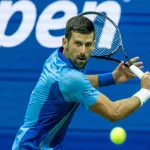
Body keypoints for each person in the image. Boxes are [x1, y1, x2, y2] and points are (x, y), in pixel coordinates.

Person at [12, 15, 150, 150]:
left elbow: (74, 84)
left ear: (94, 45)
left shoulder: (57, 59)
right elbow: (114, 113)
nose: (83, 51)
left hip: (30, 143)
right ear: (64, 42)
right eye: (78, 44)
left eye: (88, 44)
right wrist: (146, 91)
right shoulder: (72, 80)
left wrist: (112, 77)